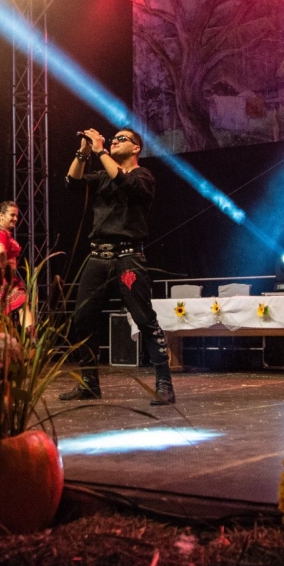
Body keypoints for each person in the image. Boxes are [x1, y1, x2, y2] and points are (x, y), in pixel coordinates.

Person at [60, 128, 174, 405]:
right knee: (82, 319)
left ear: (136, 148)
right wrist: (83, 153)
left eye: (122, 139)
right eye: (113, 138)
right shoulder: (102, 176)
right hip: (97, 258)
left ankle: (164, 384)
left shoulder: (143, 176)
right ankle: (89, 383)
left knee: (144, 319)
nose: (114, 141)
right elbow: (72, 182)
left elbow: (126, 183)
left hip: (127, 258)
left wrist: (100, 151)